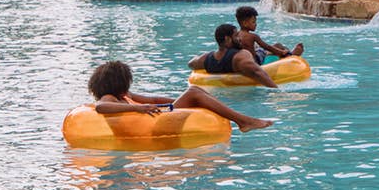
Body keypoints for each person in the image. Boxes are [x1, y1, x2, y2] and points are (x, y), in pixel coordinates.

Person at [88, 60, 274, 132]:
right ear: (117, 83)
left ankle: (240, 118)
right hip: (154, 126)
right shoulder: (109, 98)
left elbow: (153, 100)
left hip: (157, 120)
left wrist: (180, 100)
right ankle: (244, 121)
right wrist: (138, 108)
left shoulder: (125, 95)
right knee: (193, 92)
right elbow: (101, 107)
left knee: (195, 92)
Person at [188, 24, 279, 88]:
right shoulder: (240, 56)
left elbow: (191, 64)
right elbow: (257, 73)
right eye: (236, 36)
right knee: (275, 47)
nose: (240, 39)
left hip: (222, 94)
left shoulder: (207, 58)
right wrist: (276, 91)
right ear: (227, 39)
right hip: (245, 97)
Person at [233, 6, 304, 64]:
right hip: (256, 61)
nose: (256, 24)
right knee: (278, 46)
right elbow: (267, 47)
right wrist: (282, 52)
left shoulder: (236, 35)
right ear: (245, 23)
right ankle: (291, 55)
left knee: (260, 49)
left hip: (247, 61)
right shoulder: (253, 36)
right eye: (253, 22)